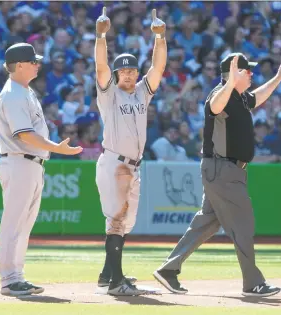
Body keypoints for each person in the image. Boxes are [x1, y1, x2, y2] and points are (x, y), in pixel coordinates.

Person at [153, 53, 281, 297]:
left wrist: (278, 77)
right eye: (247, 71)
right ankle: (253, 283)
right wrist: (229, 82)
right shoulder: (221, 94)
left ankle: (168, 269)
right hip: (223, 170)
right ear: (234, 73)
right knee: (243, 224)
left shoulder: (237, 97)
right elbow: (214, 106)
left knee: (205, 223)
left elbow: (257, 98)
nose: (251, 74)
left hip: (224, 171)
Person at [0, 43, 82, 296]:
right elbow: (24, 134)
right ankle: (9, 280)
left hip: (31, 164)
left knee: (24, 224)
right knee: (14, 223)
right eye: (33, 61)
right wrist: (56, 147)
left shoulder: (24, 90)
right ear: (19, 65)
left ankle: (16, 276)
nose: (37, 64)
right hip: (19, 160)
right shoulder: (12, 93)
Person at [94, 7, 167, 296]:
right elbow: (100, 67)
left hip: (133, 165)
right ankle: (115, 282)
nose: (127, 75)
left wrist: (160, 39)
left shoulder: (140, 92)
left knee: (125, 221)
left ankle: (107, 273)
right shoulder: (109, 93)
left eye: (131, 70)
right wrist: (101, 36)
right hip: (114, 162)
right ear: (116, 74)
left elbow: (158, 69)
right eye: (123, 71)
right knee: (117, 220)